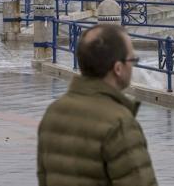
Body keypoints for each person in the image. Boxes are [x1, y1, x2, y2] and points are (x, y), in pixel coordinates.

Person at [37, 24, 157, 186]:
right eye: (132, 60)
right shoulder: (118, 123)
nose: (133, 65)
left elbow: (44, 178)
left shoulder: (53, 113)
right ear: (118, 68)